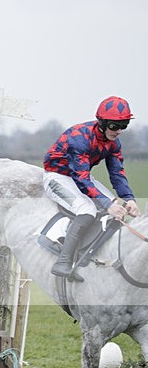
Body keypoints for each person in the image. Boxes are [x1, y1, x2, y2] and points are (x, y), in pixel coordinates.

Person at [43, 95, 141, 280]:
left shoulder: (114, 143)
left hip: (81, 176)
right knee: (87, 210)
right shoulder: (79, 138)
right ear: (102, 123)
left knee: (117, 207)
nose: (118, 131)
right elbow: (81, 178)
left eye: (124, 125)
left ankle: (91, 254)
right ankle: (63, 261)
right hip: (58, 176)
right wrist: (106, 204)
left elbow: (117, 173)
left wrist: (129, 199)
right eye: (114, 125)